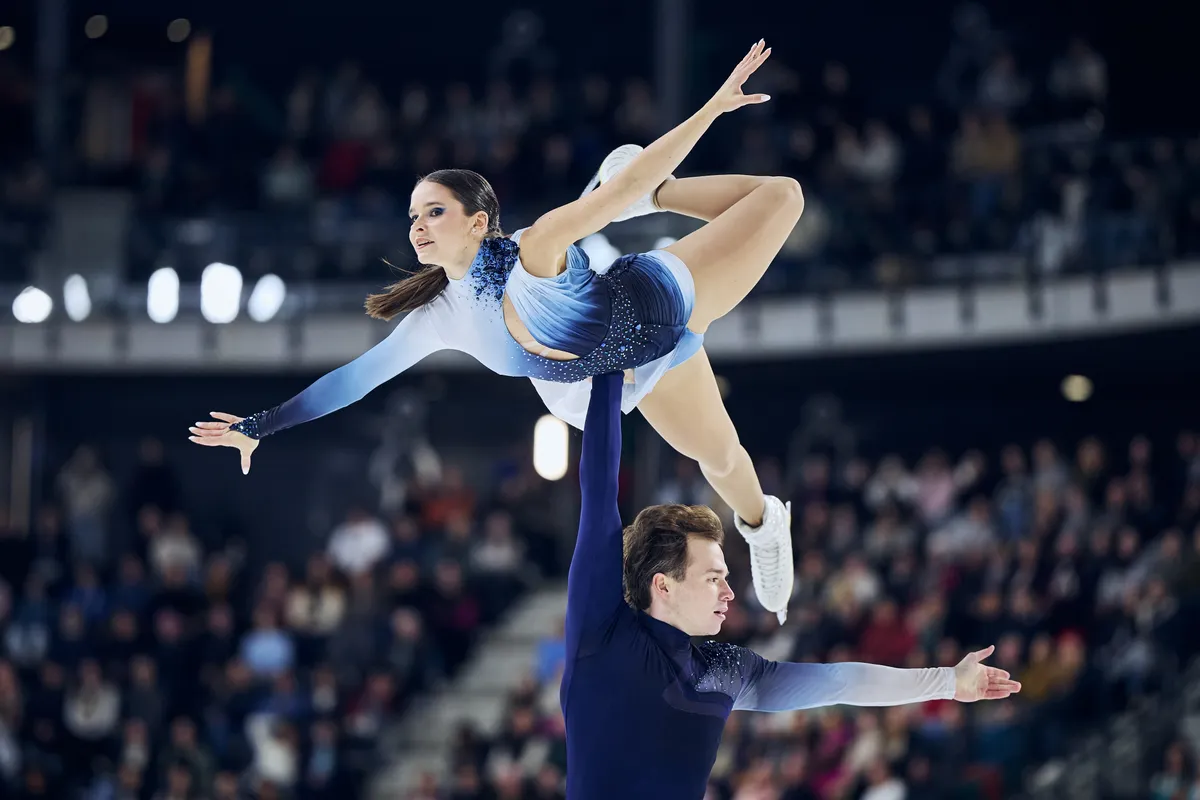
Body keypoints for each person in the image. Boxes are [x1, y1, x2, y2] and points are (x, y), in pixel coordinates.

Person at [189, 41, 799, 619]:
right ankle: (765, 521)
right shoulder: (441, 317)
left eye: (434, 211)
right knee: (716, 455)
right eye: (413, 216)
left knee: (782, 198)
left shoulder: (535, 249)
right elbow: (354, 379)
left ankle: (762, 523)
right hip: (602, 377)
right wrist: (260, 427)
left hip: (657, 302)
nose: (418, 225)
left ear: (478, 222)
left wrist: (709, 113)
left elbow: (629, 184)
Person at [560, 373, 1021, 799]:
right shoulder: (600, 633)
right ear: (663, 586)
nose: (730, 592)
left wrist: (946, 681)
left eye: (725, 576)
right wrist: (609, 371)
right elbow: (598, 489)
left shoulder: (724, 671)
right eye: (713, 578)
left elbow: (839, 681)